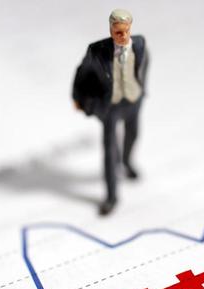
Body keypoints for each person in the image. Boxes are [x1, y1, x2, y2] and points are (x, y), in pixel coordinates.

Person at [72, 9, 149, 215]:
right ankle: (111, 196)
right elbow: (81, 73)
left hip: (133, 102)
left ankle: (127, 163)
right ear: (111, 30)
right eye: (117, 32)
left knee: (133, 134)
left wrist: (142, 88)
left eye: (125, 31)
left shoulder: (139, 44)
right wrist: (78, 98)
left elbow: (144, 64)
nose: (122, 36)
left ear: (130, 29)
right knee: (109, 150)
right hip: (110, 106)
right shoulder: (96, 51)